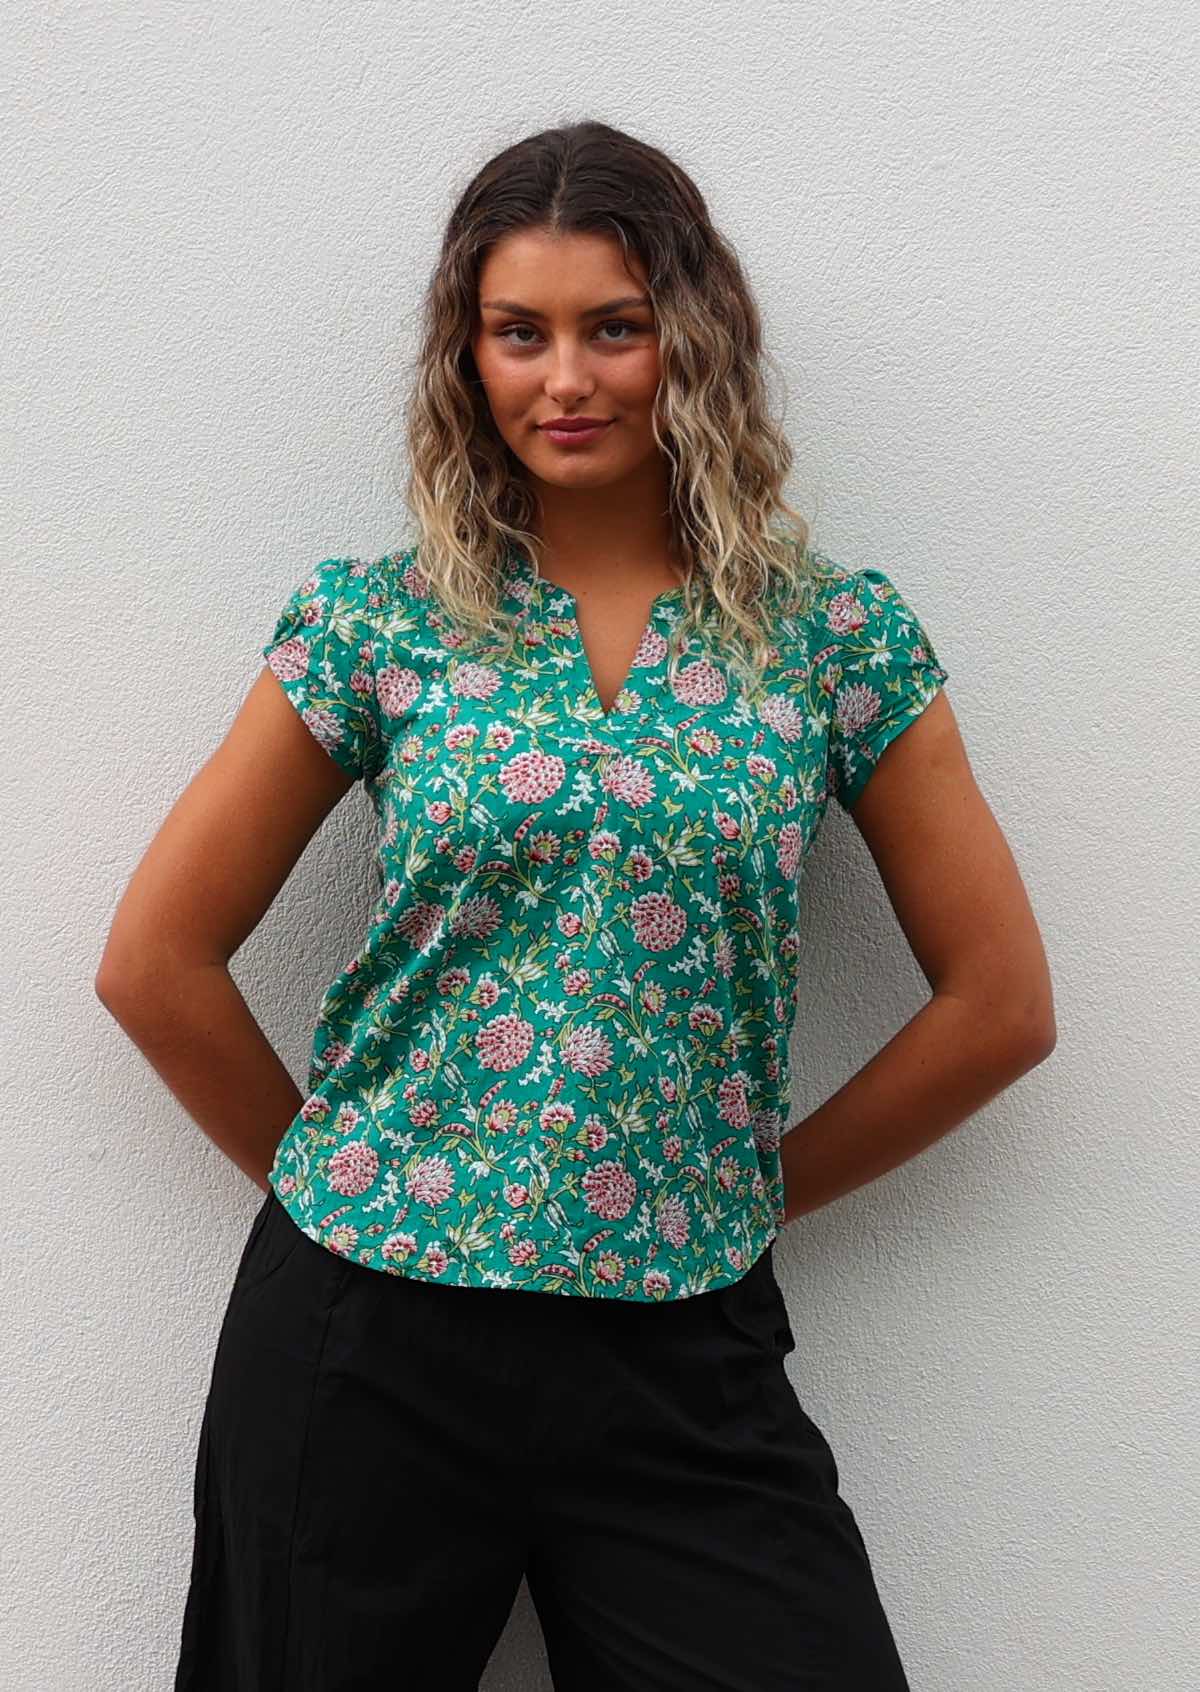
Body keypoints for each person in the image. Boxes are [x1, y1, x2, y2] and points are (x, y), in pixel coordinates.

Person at [96, 119, 1056, 1692]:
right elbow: (156, 963)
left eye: (617, 327)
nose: (569, 379)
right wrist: (346, 1190)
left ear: (696, 338)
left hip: (680, 1345)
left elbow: (1001, 1004)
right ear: (465, 356)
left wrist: (741, 1190)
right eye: (519, 332)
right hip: (368, 1337)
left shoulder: (832, 642)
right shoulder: (382, 622)